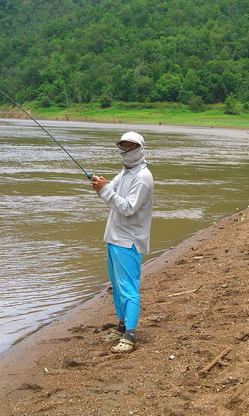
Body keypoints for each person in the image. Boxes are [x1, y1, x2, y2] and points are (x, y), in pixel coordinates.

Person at [91, 131, 154, 353]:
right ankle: (121, 326)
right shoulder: (125, 172)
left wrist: (104, 191)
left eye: (131, 146)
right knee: (117, 287)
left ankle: (131, 335)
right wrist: (102, 185)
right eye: (124, 146)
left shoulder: (143, 178)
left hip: (129, 241)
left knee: (128, 288)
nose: (127, 150)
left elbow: (128, 208)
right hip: (115, 237)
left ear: (140, 148)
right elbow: (112, 190)